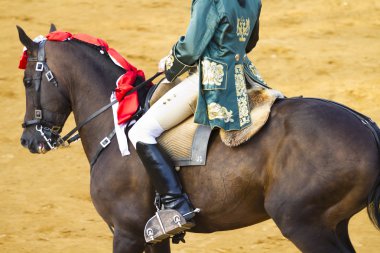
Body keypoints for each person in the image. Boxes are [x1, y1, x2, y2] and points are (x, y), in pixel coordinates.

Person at [128, 0, 266, 234]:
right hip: (243, 77)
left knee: (140, 131)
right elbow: (250, 42)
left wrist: (171, 62)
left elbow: (191, 48)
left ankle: (176, 205)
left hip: (211, 79)